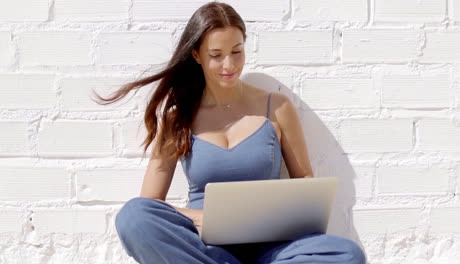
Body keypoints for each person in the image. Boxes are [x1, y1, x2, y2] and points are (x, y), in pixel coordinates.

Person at [95, 2, 366, 263]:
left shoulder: (276, 107)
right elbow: (151, 203)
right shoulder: (178, 118)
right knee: (134, 216)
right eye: (216, 55)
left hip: (273, 249)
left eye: (237, 52)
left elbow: (306, 183)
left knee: (346, 254)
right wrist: (208, 218)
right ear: (196, 55)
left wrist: (270, 217)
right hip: (204, 248)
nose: (229, 65)